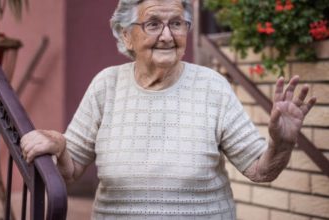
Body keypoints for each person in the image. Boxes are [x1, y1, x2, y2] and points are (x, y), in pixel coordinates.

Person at [20, 0, 316, 219]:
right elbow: (70, 171)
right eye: (153, 24)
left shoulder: (211, 87)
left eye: (176, 23)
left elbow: (260, 171)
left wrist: (281, 143)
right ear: (126, 36)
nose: (166, 35)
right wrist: (59, 146)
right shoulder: (106, 86)